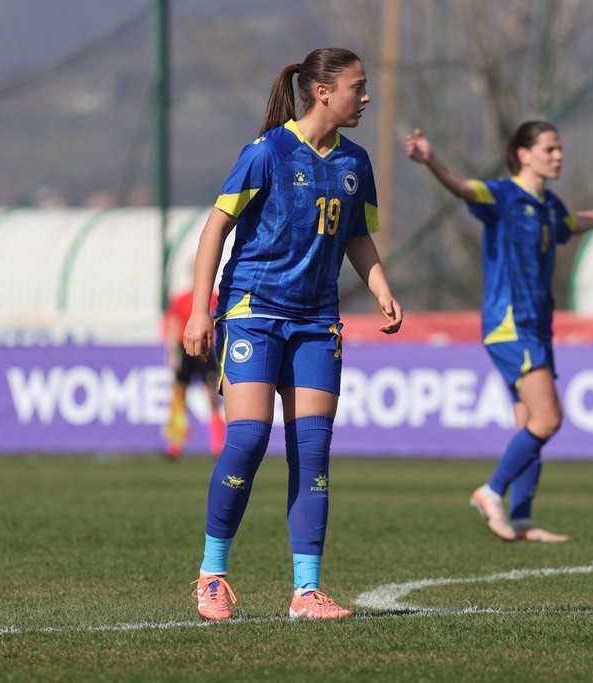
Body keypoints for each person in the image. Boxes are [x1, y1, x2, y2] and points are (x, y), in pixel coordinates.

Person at [184, 47, 403, 621]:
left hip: (316, 320)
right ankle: (211, 576)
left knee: (312, 451)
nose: (366, 96)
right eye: (357, 86)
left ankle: (307, 591)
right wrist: (200, 312)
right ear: (323, 92)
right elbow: (215, 229)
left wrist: (381, 287)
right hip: (253, 311)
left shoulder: (355, 162)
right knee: (249, 439)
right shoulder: (267, 153)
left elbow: (356, 235)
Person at [405, 122, 593, 544]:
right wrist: (430, 160)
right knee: (549, 419)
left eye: (560, 148)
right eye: (549, 149)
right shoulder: (503, 196)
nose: (559, 155)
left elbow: (572, 222)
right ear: (523, 154)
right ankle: (490, 492)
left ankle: (522, 520)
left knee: (529, 423)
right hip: (511, 325)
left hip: (537, 326)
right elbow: (463, 188)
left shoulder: (548, 205)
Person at [163, 287, 225, 459]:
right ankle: (175, 444)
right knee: (179, 396)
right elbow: (174, 323)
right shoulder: (181, 298)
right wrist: (171, 350)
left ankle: (218, 446)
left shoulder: (214, 297)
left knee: (212, 397)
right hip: (184, 348)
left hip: (206, 349)